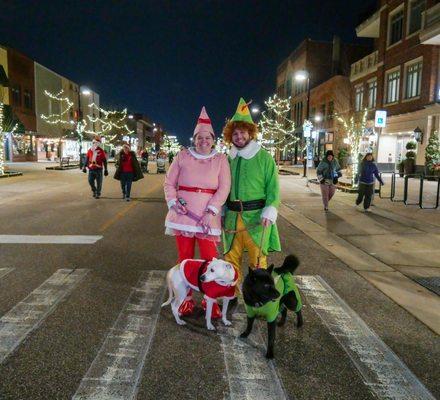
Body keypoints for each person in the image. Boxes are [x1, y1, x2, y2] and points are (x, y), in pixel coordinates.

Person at [164, 106, 231, 317]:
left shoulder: (220, 160)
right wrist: (173, 201)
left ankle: (210, 300)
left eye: (207, 137)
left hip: (207, 218)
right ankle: (185, 299)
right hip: (183, 216)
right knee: (185, 259)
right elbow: (169, 183)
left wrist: (211, 211)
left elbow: (224, 187)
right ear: (194, 138)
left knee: (211, 259)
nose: (203, 141)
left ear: (213, 138)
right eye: (199, 137)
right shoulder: (183, 156)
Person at [222, 98, 281, 287]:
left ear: (250, 133)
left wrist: (270, 209)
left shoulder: (264, 158)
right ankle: (232, 296)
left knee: (257, 262)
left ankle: (258, 299)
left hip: (256, 219)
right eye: (235, 133)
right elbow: (221, 187)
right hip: (231, 217)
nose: (239, 137)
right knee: (230, 262)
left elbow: (273, 188)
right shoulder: (228, 159)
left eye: (242, 132)